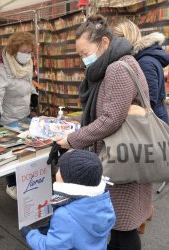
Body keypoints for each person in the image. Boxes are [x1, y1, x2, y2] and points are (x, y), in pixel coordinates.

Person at [54, 14, 153, 250]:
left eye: (83, 53)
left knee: (124, 225)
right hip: (126, 156)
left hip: (122, 160)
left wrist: (72, 139)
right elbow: (110, 112)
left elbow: (110, 119)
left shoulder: (117, 68)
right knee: (120, 226)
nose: (82, 60)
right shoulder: (119, 63)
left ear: (104, 43)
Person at [21, 149, 116, 250]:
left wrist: (30, 235)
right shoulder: (103, 200)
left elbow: (51, 248)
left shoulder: (64, 215)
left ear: (69, 182)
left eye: (60, 170)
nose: (57, 172)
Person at [0, 31, 38, 200]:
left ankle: (26, 181)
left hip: (24, 116)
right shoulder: (1, 69)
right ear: (14, 51)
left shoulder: (27, 64)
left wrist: (34, 94)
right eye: (24, 51)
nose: (27, 55)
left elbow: (28, 83)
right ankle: (12, 184)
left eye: (29, 51)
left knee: (26, 150)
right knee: (12, 153)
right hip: (7, 118)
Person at [113, 19, 169, 124]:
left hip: (153, 123)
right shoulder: (144, 58)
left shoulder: (144, 62)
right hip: (155, 119)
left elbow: (148, 101)